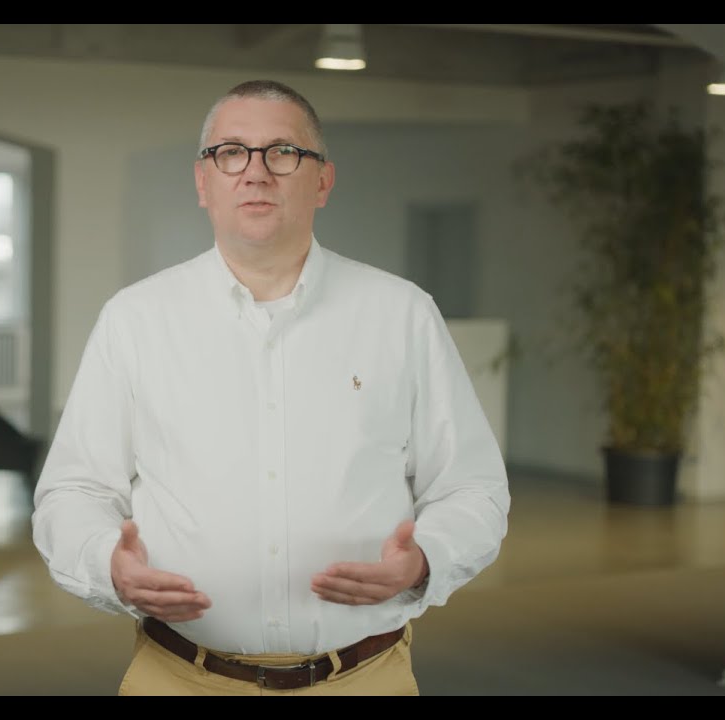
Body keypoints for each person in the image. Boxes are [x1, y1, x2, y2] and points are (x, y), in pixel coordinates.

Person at [31, 79, 510, 696]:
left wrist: (425, 559)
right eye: (231, 152)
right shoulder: (135, 320)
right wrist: (105, 562)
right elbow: (72, 490)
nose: (255, 172)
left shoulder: (402, 315)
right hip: (178, 679)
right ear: (204, 182)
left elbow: (473, 488)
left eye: (282, 152)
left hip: (365, 678)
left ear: (323, 181)